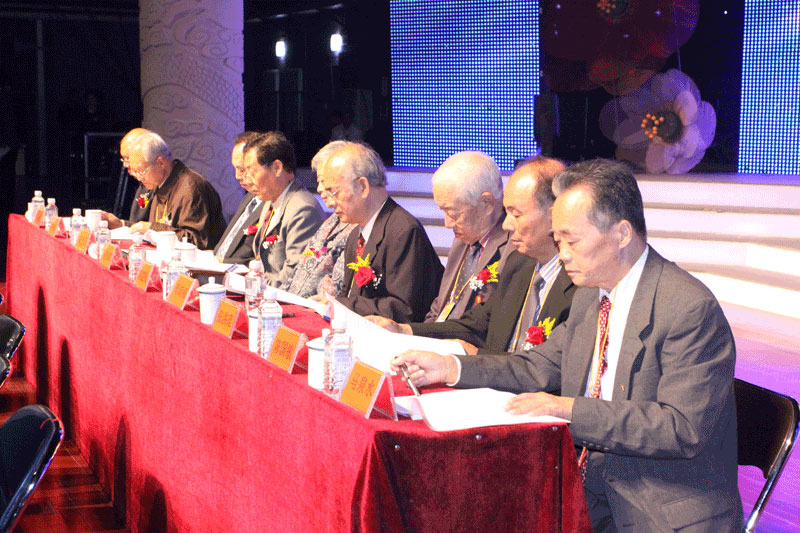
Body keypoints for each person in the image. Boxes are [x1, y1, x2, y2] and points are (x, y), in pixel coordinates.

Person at [392, 159, 743, 532]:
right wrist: (451, 367)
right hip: (593, 485)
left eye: (571, 241)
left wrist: (567, 409)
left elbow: (680, 428)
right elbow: (536, 366)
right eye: (558, 241)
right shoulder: (593, 294)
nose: (562, 255)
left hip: (659, 505)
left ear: (622, 234)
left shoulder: (688, 308)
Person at [370, 157, 575, 354]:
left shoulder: (576, 281)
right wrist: (403, 330)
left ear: (553, 215)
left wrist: (472, 357)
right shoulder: (519, 264)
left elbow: (544, 365)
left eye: (516, 214)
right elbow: (477, 324)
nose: (507, 224)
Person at [313, 143, 443, 322]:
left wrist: (341, 305)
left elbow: (403, 309)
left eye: (334, 192)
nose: (329, 201)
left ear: (362, 187)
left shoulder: (403, 231)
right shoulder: (355, 236)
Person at [424, 151, 512, 322]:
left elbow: (485, 326)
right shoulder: (462, 239)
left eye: (453, 213)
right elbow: (439, 308)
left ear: (487, 203)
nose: (447, 223)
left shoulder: (512, 248)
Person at [104, 131, 226, 249]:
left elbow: (197, 241)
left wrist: (152, 229)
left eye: (141, 171)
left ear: (160, 162)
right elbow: (150, 227)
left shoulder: (190, 188)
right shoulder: (160, 183)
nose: (139, 178)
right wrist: (122, 224)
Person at [242, 131, 324, 287]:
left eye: (252, 172)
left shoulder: (302, 209)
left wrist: (250, 283)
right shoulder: (270, 201)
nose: (248, 181)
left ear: (277, 167)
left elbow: (294, 276)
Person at [284, 140, 356, 298]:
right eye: (319, 182)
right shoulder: (332, 221)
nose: (319, 189)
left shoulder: (358, 226)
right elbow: (302, 265)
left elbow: (336, 289)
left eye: (325, 182)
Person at [213, 131, 263, 264]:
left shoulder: (272, 202)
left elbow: (263, 262)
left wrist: (222, 262)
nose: (237, 176)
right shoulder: (250, 197)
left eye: (242, 169)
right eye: (236, 169)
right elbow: (224, 249)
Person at [119, 128, 152, 223]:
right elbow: (137, 225)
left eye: (127, 158)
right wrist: (120, 224)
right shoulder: (143, 183)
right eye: (123, 159)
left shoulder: (157, 183)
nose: (125, 165)